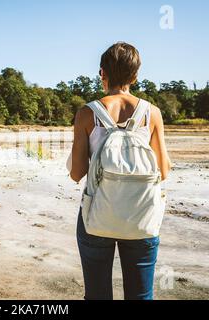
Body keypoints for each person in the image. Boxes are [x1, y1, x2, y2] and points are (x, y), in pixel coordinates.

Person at [68, 42, 172, 300]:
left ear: (102, 73)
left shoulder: (86, 113)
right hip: (142, 217)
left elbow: (76, 173)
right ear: (135, 76)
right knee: (140, 296)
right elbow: (164, 171)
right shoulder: (152, 113)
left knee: (97, 296)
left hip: (97, 217)